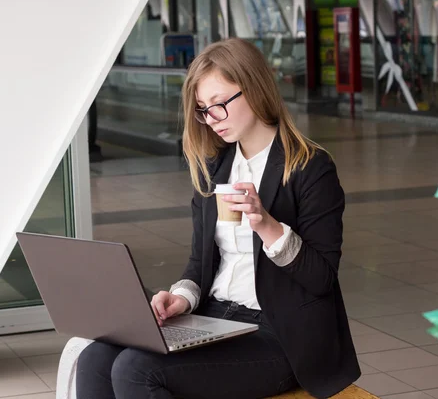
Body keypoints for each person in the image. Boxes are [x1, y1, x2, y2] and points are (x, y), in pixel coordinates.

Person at [76, 38, 360, 399]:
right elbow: (200, 263)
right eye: (203, 109)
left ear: (254, 89)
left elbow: (322, 279)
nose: (212, 119)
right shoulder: (216, 168)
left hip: (278, 336)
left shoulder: (309, 167)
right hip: (214, 319)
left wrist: (267, 226)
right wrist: (182, 298)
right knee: (95, 358)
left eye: (219, 104)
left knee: (136, 370)